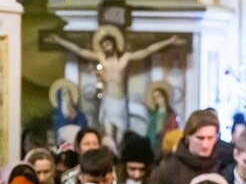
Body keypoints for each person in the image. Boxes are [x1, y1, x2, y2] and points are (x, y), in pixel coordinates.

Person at [46, 27, 185, 144]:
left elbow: (148, 50)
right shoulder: (101, 58)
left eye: (109, 44)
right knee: (108, 135)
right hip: (108, 100)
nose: (107, 48)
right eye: (104, 46)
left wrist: (169, 41)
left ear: (114, 44)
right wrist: (59, 40)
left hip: (120, 100)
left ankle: (119, 162)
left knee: (121, 136)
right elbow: (79, 51)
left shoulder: (125, 58)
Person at [144, 109, 221, 184]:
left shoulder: (222, 163)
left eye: (210, 138)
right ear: (188, 137)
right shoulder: (169, 167)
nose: (205, 144)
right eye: (200, 138)